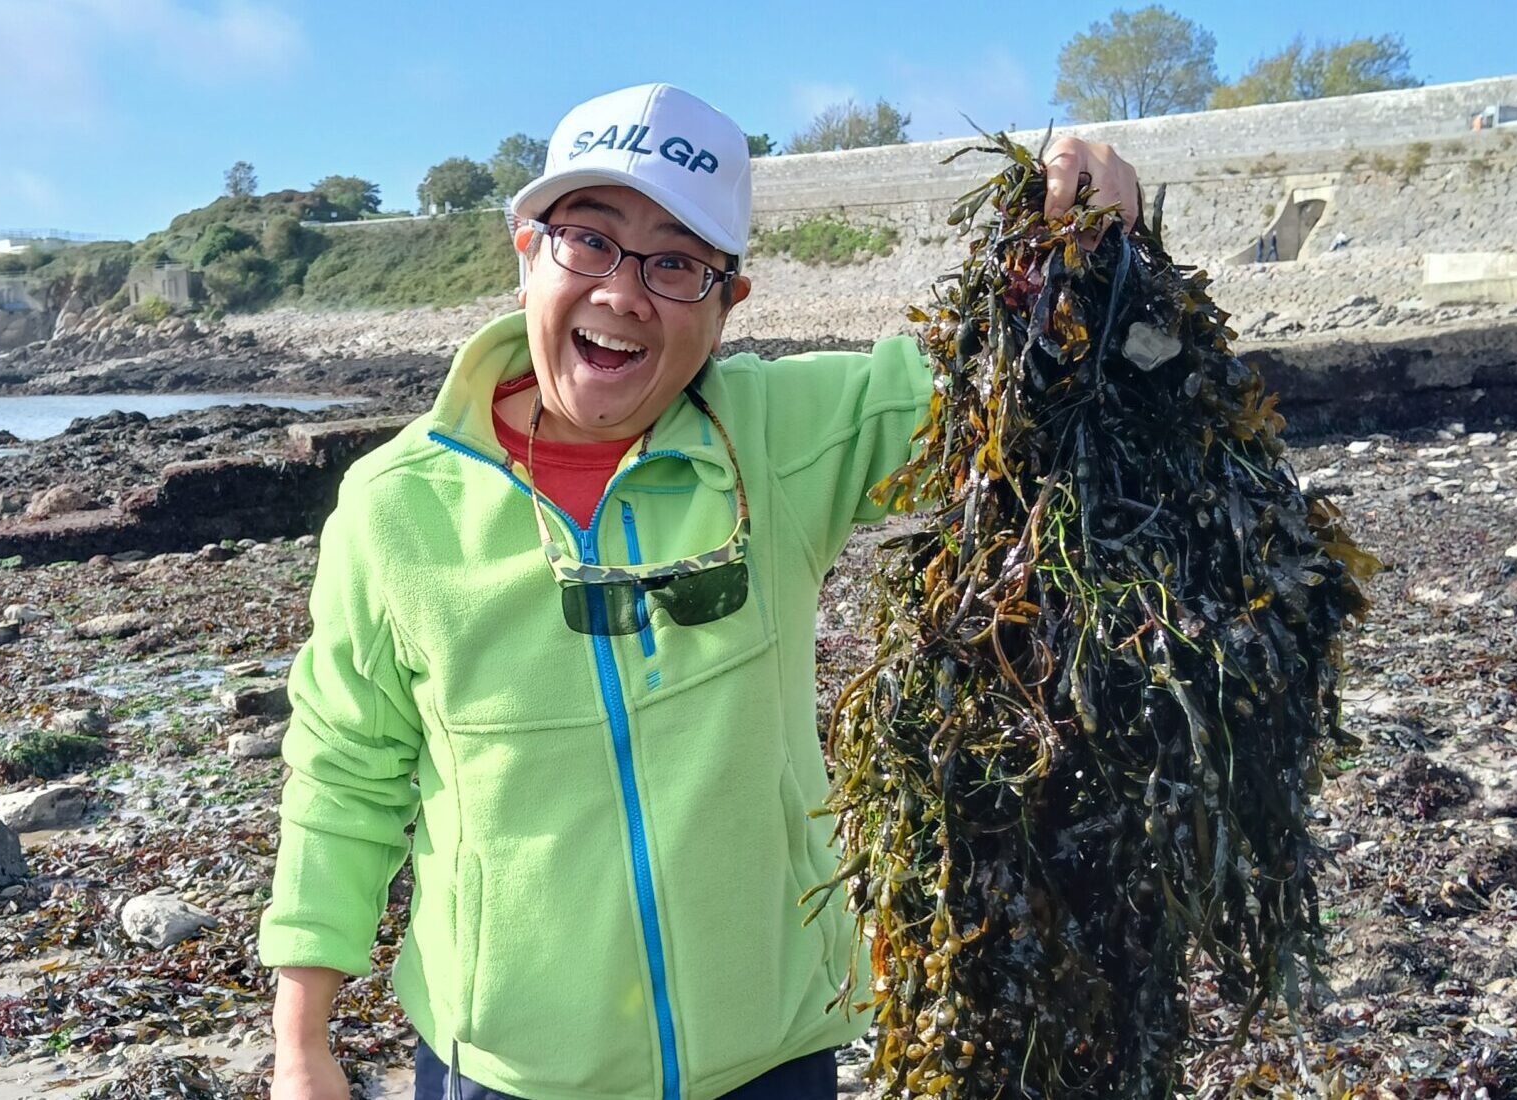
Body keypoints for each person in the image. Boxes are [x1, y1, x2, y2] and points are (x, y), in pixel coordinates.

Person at [261, 83, 1139, 1100]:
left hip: (766, 1054)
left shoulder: (780, 438)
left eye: (677, 262)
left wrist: (1080, 238)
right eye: (588, 238)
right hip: (506, 1067)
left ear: (729, 306)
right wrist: (301, 1043)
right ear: (525, 253)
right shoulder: (394, 509)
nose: (624, 292)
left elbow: (997, 384)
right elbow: (343, 775)